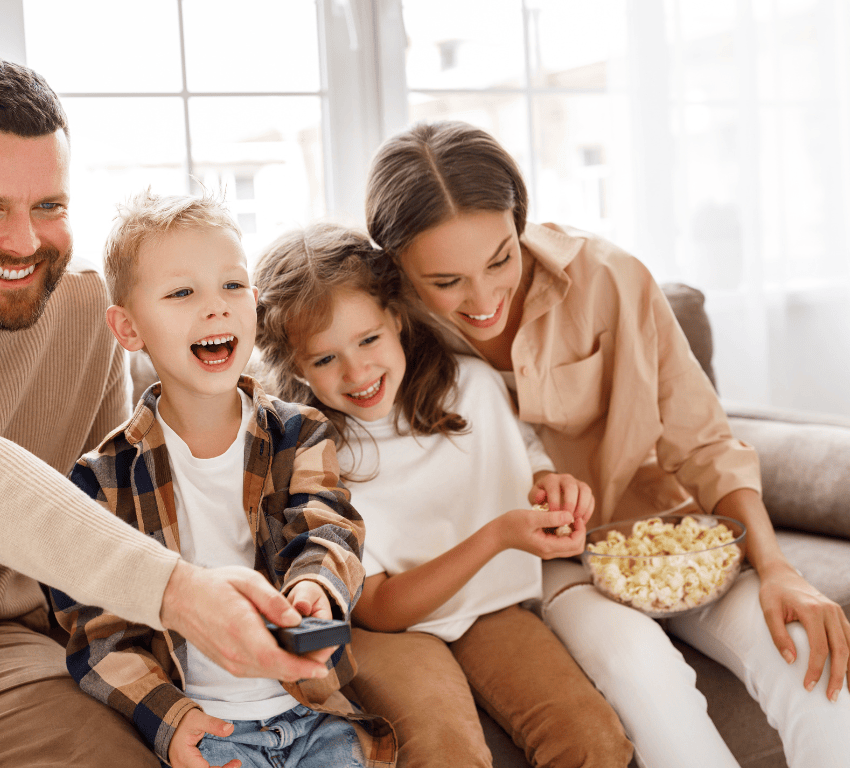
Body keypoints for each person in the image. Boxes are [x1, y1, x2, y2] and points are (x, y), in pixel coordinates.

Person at [0, 58, 342, 768]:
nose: (23, 242)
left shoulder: (83, 313)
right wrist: (178, 593)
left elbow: (123, 496)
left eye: (48, 206)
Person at [363, 120, 850, 768]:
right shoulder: (381, 337)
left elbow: (703, 440)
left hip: (663, 533)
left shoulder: (609, 278)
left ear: (520, 222)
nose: (482, 300)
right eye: (446, 281)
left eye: (500, 259)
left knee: (800, 649)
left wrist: (778, 568)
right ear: (397, 267)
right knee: (637, 666)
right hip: (546, 570)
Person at [253, 221, 633, 768]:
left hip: (492, 611)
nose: (358, 370)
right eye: (324, 359)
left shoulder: (474, 389)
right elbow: (382, 609)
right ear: (295, 367)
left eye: (368, 339)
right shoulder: (309, 453)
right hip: (388, 632)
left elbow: (528, 465)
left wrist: (553, 489)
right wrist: (500, 534)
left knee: (592, 741)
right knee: (445, 753)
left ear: (397, 319)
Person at [50, 192, 395, 768]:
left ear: (255, 306)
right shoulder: (99, 481)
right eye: (183, 293)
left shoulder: (300, 435)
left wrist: (316, 590)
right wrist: (170, 716)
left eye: (233, 286)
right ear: (128, 328)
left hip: (313, 715)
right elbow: (97, 632)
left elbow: (328, 529)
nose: (216, 308)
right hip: (206, 725)